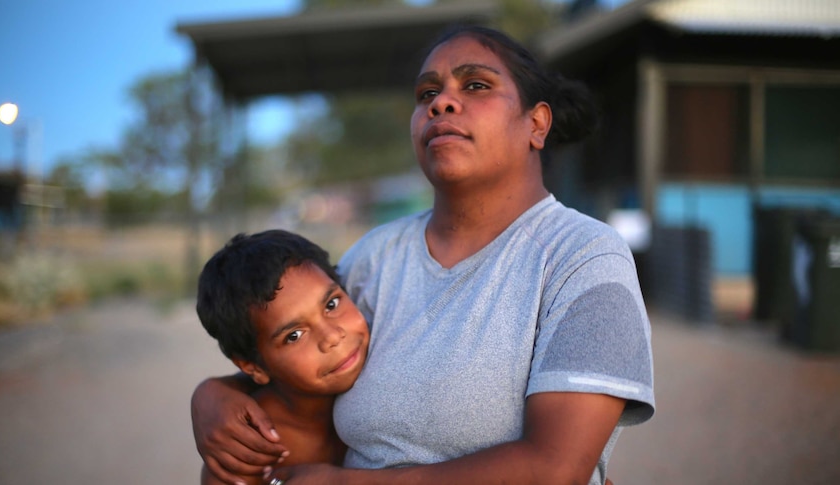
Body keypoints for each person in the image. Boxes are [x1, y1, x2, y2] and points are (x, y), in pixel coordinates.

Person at [192, 25, 655, 485]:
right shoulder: (376, 257)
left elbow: (554, 470)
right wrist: (215, 396)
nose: (440, 102)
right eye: (426, 93)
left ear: (536, 124)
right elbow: (295, 355)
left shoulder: (582, 258)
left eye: (475, 85)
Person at [195, 229, 370, 484]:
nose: (331, 337)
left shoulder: (386, 348)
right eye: (294, 335)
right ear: (252, 367)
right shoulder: (247, 447)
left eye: (331, 304)